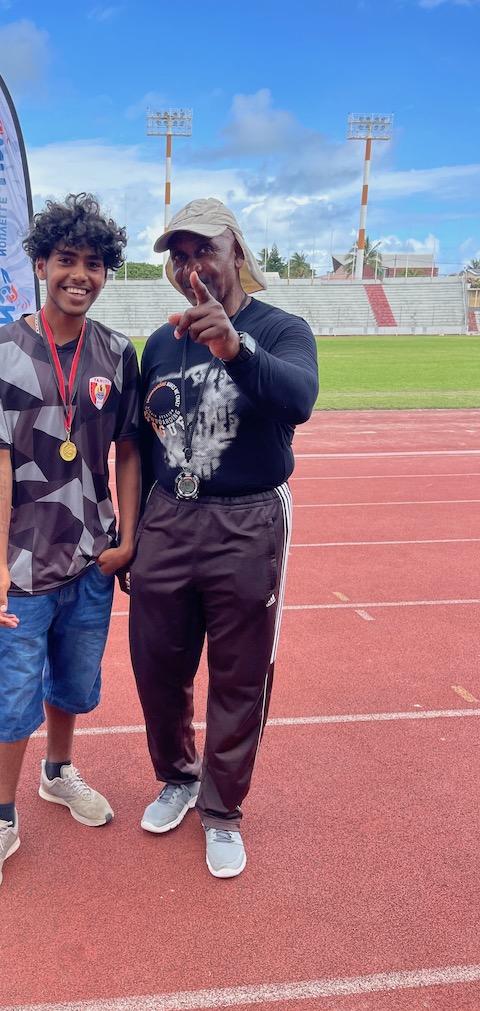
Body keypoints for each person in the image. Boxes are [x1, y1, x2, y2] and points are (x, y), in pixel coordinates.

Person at [129, 198, 319, 878]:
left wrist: (236, 349)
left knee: (239, 673)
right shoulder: (160, 343)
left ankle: (222, 809)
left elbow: (299, 399)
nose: (192, 267)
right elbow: (141, 443)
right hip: (168, 516)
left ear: (236, 250)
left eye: (203, 250)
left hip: (248, 518)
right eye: (179, 256)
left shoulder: (282, 328)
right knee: (157, 665)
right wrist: (136, 532)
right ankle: (178, 777)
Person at [0, 193, 140, 900]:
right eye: (67, 260)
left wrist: (126, 535)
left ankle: (58, 773)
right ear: (41, 265)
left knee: (73, 681)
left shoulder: (117, 353)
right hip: (26, 563)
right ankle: (0, 821)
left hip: (92, 557)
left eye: (94, 264)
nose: (80, 275)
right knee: (13, 696)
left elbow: (129, 450)